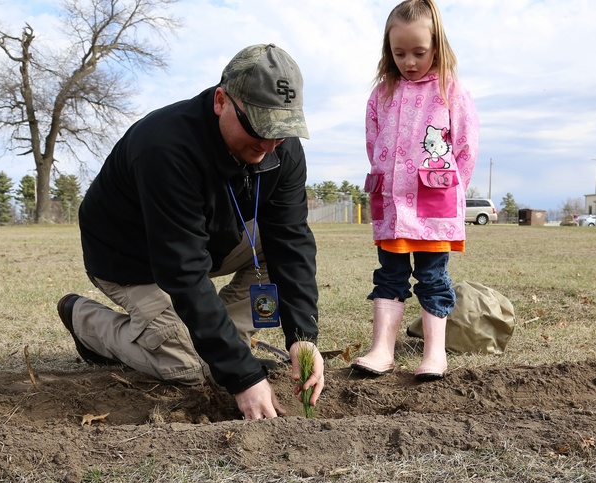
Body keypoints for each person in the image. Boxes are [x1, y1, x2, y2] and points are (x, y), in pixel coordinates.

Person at [57, 43, 324, 420]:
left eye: (280, 132)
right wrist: (244, 377)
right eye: (258, 127)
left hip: (213, 241)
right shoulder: (165, 147)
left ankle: (220, 340)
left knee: (219, 353)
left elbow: (291, 240)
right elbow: (182, 270)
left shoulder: (284, 149)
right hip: (132, 257)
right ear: (221, 101)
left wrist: (302, 338)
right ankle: (85, 320)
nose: (267, 146)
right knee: (187, 368)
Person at [351, 0, 478, 382]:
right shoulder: (381, 94)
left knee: (432, 278)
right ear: (388, 51)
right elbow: (374, 145)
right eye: (399, 52)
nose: (409, 61)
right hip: (392, 206)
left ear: (437, 46)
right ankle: (382, 350)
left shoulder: (450, 90)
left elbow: (466, 149)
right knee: (388, 275)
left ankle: (434, 353)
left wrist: (451, 192)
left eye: (419, 53)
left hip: (433, 207)